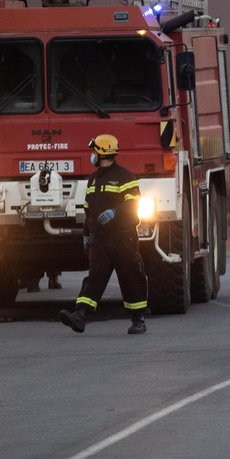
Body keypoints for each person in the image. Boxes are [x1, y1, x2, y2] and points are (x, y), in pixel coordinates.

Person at [60, 134, 148, 334]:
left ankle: (138, 319)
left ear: (101, 153)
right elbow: (88, 209)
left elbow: (133, 202)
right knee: (95, 277)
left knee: (130, 277)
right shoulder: (93, 178)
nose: (92, 155)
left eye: (94, 151)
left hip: (123, 237)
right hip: (99, 238)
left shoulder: (124, 176)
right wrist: (86, 233)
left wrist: (114, 212)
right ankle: (80, 316)